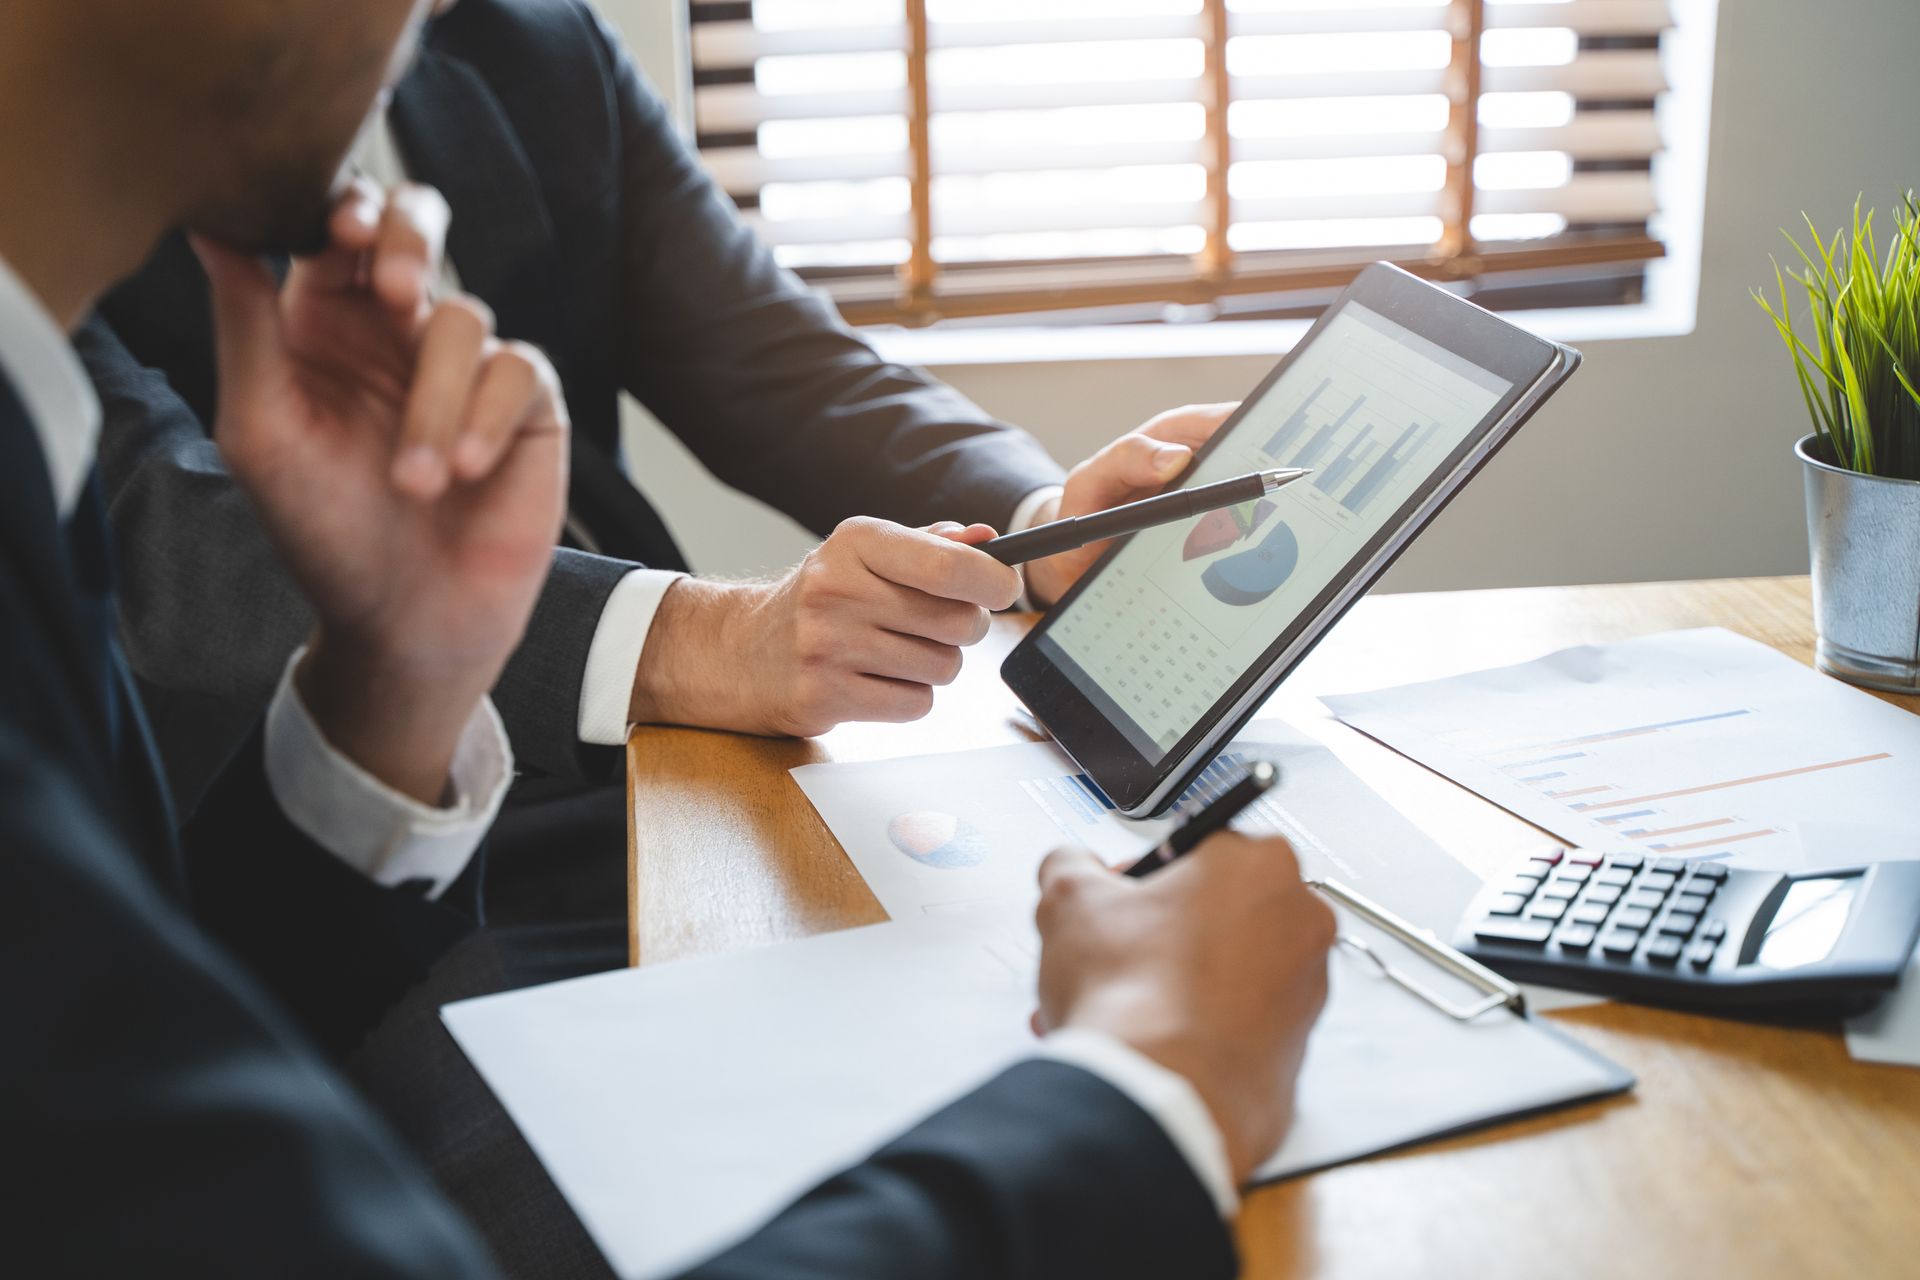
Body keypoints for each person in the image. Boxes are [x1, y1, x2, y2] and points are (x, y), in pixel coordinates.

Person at [2, 1, 1339, 1276]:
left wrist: (398, 675)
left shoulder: (523, 49)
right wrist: (1146, 1084)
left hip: (445, 813)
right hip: (507, 872)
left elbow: (172, 1002)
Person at [82, 0, 1235, 848]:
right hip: (309, 854)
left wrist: (1040, 520)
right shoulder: (67, 132)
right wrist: (701, 643)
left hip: (701, 777)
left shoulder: (530, 45)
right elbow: (154, 536)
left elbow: (784, 364)